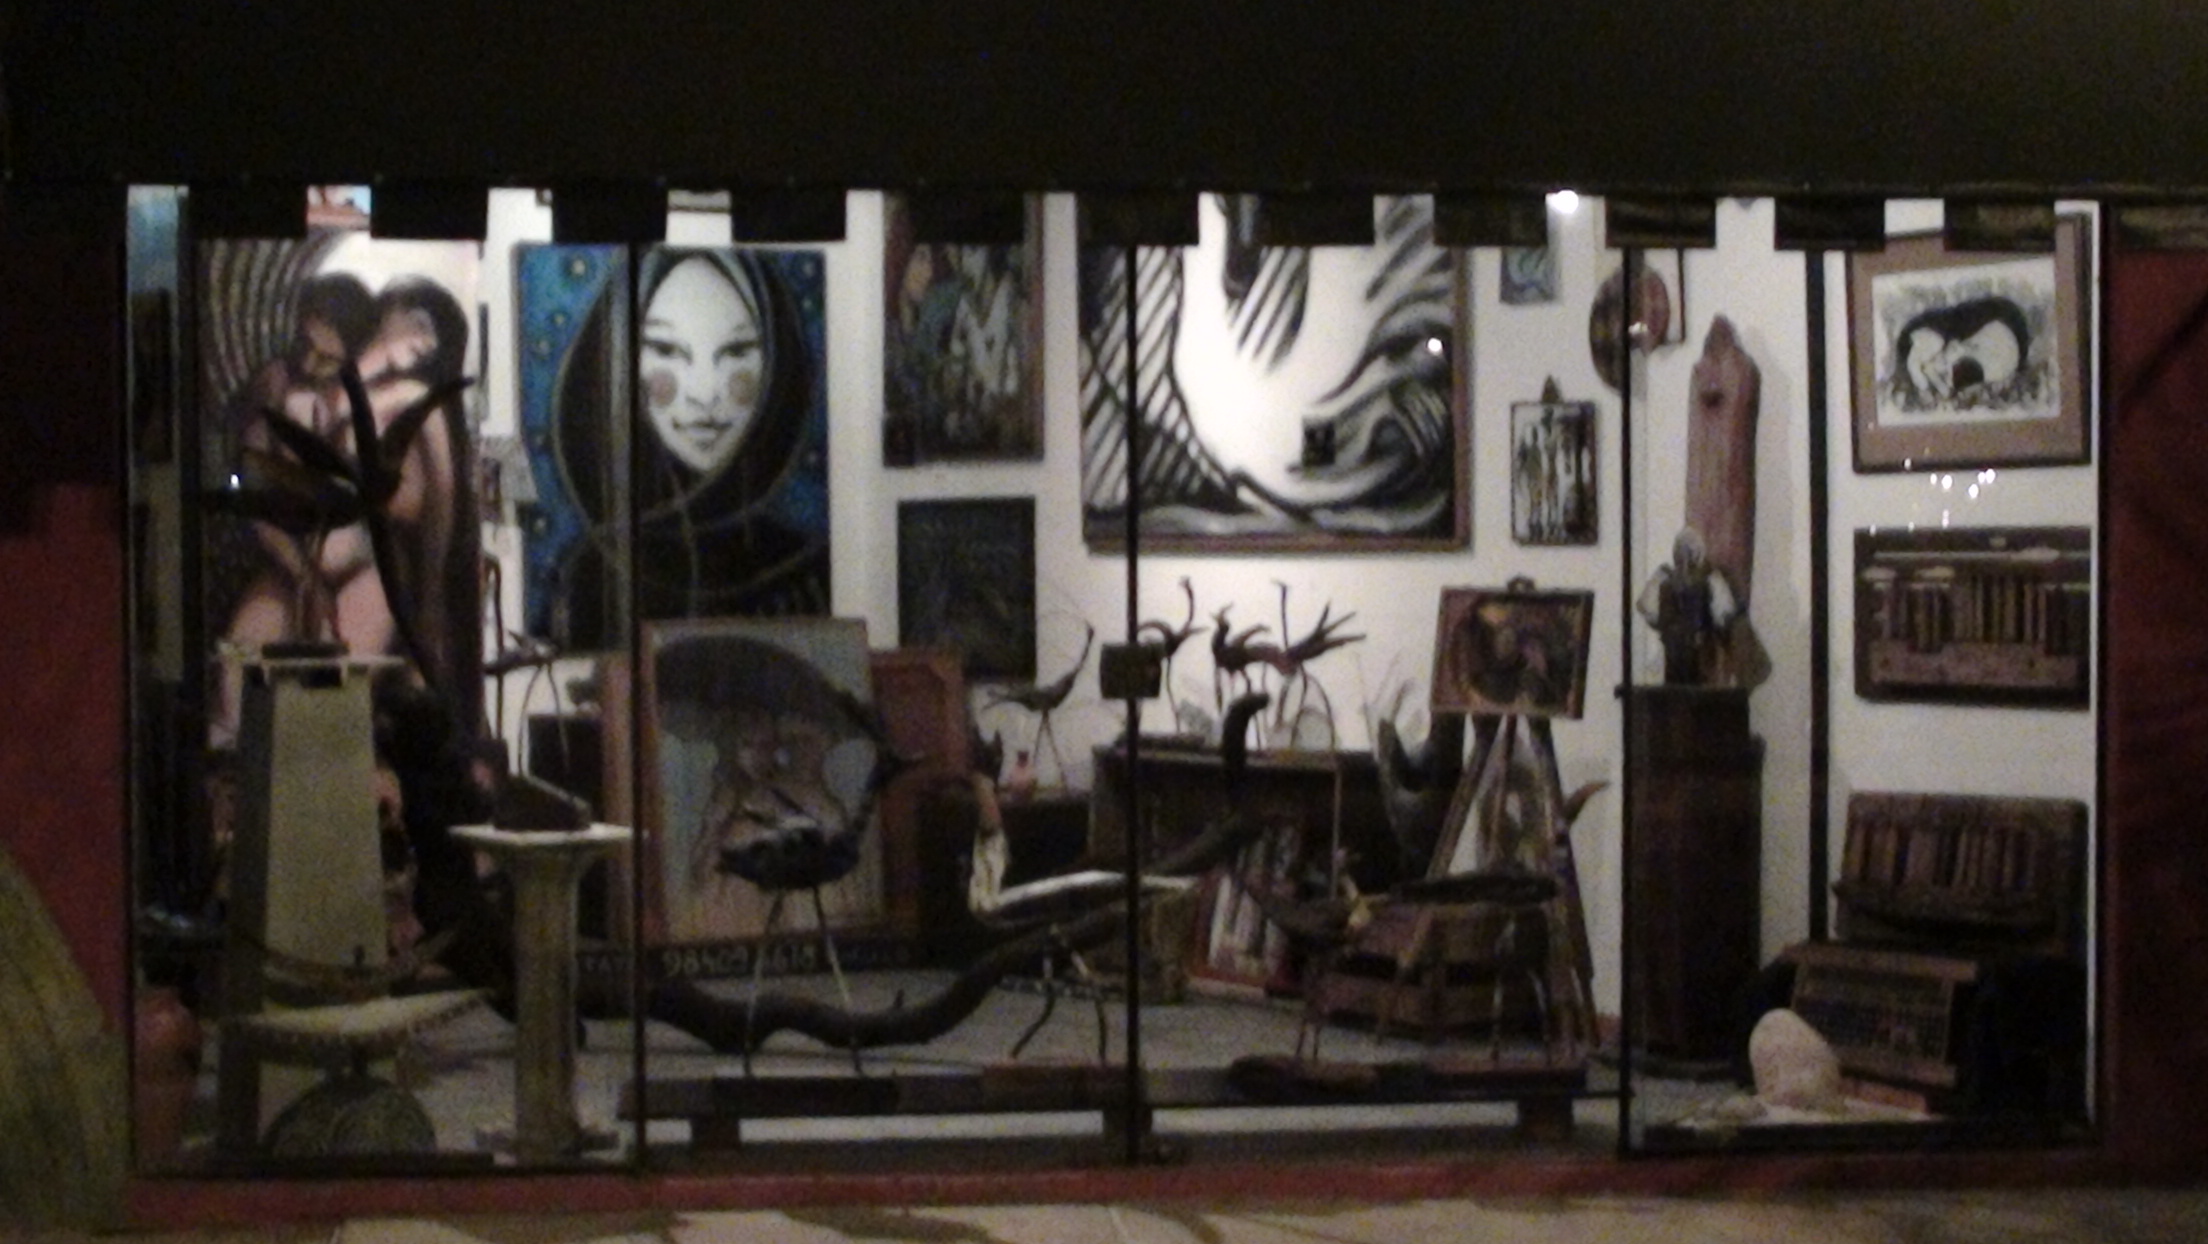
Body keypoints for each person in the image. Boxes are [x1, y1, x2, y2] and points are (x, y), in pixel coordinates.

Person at [549, 248, 828, 649]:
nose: (704, 394)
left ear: (776, 365)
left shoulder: (804, 570)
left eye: (736, 352)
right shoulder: (593, 573)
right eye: (666, 351)